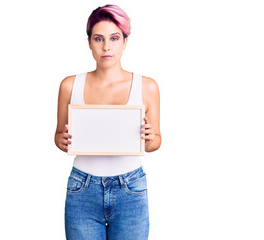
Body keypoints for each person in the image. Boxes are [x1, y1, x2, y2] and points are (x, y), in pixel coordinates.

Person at [54, 4, 161, 240]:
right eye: (98, 38)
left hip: (130, 188)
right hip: (82, 188)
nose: (106, 47)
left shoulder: (147, 86)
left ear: (125, 41)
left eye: (114, 38)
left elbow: (156, 141)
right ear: (89, 42)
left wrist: (151, 138)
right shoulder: (70, 85)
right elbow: (59, 137)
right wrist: (61, 140)